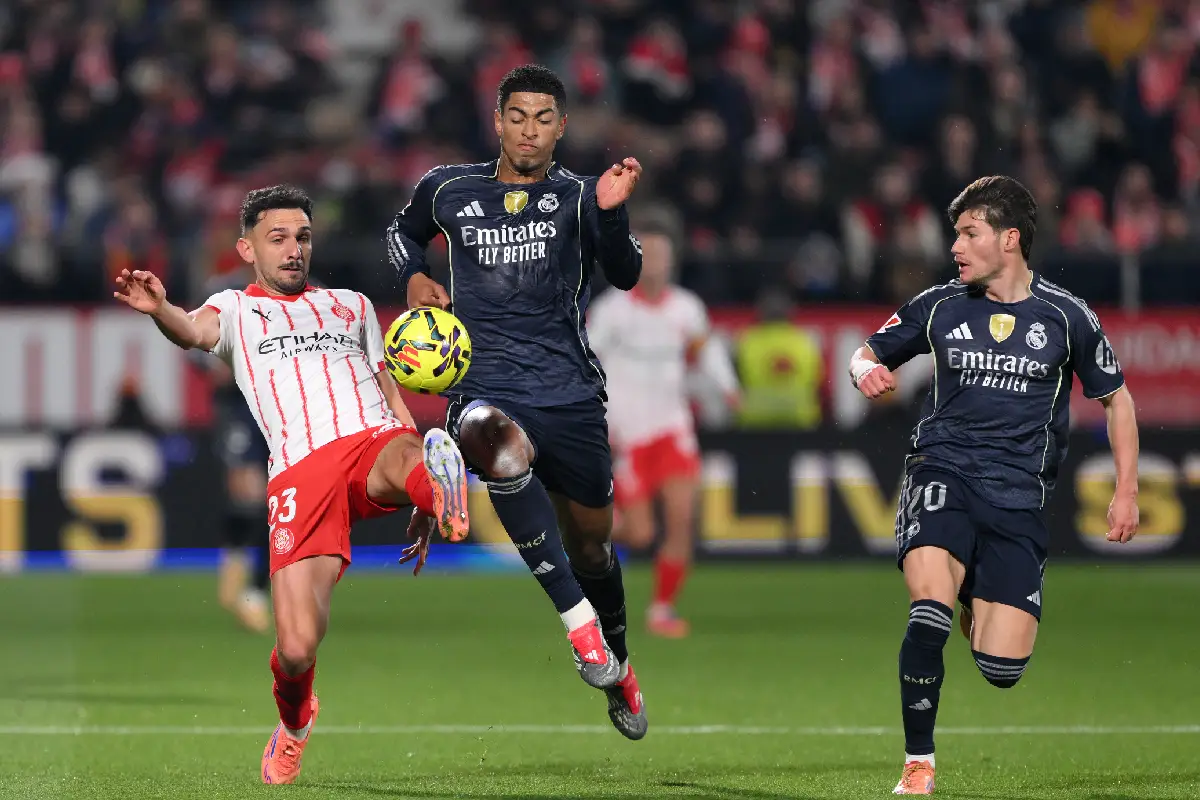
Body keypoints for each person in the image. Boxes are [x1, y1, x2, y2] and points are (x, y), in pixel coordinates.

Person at [114, 184, 471, 785]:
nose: (293, 249)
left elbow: (390, 394)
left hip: (370, 442)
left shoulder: (352, 306)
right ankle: (296, 724)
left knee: (410, 450)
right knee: (298, 645)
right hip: (300, 474)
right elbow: (192, 332)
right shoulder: (232, 310)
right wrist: (161, 311)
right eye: (277, 238)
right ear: (247, 248)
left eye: (303, 237)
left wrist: (419, 475)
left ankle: (440, 487)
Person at [846, 176, 1141, 795]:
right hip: (942, 472)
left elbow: (1117, 400)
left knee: (1001, 668)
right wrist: (866, 372)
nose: (955, 244)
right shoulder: (941, 304)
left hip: (1018, 496)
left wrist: (1128, 490)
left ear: (1009, 240)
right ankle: (918, 764)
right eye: (956, 233)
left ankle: (972, 588)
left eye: (968, 232)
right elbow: (866, 350)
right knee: (926, 612)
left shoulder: (1065, 316)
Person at [386, 64, 647, 739]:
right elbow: (401, 234)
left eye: (543, 118)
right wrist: (415, 276)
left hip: (569, 393)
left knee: (592, 547)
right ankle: (579, 626)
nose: (529, 129)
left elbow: (625, 273)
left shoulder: (585, 195)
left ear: (561, 128)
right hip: (483, 384)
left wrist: (613, 216)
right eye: (517, 116)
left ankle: (618, 662)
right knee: (493, 448)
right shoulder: (447, 189)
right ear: (497, 121)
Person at [588, 217, 739, 638]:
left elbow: (705, 350)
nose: (654, 262)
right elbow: (588, 363)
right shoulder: (612, 311)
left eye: (661, 254)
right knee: (640, 534)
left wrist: (727, 387)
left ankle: (662, 608)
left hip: (673, 428)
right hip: (628, 435)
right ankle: (580, 526)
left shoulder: (686, 308)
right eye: (648, 253)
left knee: (681, 521)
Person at [198, 266, 272, 634]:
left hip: (277, 407)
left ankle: (254, 588)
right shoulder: (222, 291)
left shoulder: (297, 289)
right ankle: (240, 577)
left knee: (277, 498)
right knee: (249, 493)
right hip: (237, 407)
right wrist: (220, 361)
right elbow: (193, 342)